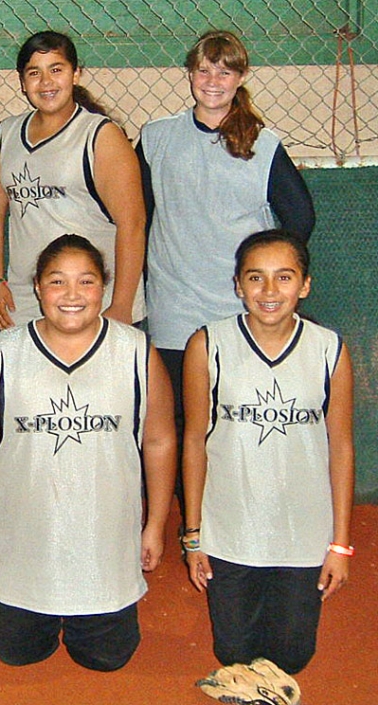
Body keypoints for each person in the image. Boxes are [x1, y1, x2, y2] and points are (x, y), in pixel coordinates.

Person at [0, 235, 176, 671]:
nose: (72, 295)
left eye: (87, 282)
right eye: (58, 282)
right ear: (38, 288)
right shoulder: (1, 354)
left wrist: (154, 524)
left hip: (104, 545)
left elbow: (159, 441)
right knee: (15, 653)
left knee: (108, 658)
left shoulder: (135, 352)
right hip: (22, 544)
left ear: (105, 287)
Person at [138, 30, 315, 516]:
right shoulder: (156, 138)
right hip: (175, 308)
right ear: (190, 74)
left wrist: (269, 283)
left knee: (235, 418)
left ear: (240, 78)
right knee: (177, 419)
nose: (213, 80)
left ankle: (242, 514)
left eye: (226, 70)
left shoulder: (263, 143)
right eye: (204, 69)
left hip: (238, 311)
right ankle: (191, 520)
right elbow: (138, 216)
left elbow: (299, 218)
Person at [181, 229, 354, 674]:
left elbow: (341, 448)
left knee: (293, 658)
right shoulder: (208, 345)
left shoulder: (329, 349)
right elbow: (194, 441)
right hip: (231, 532)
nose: (270, 291)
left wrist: (339, 544)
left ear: (305, 285)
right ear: (237, 285)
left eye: (284, 277)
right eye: (256, 278)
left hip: (302, 534)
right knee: (233, 655)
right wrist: (194, 535)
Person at [0, 31, 145, 331]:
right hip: (28, 298)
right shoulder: (5, 135)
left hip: (93, 299)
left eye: (56, 70)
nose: (46, 83)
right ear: (22, 81)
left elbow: (132, 223)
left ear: (76, 74)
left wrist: (121, 303)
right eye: (34, 73)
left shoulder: (101, 135)